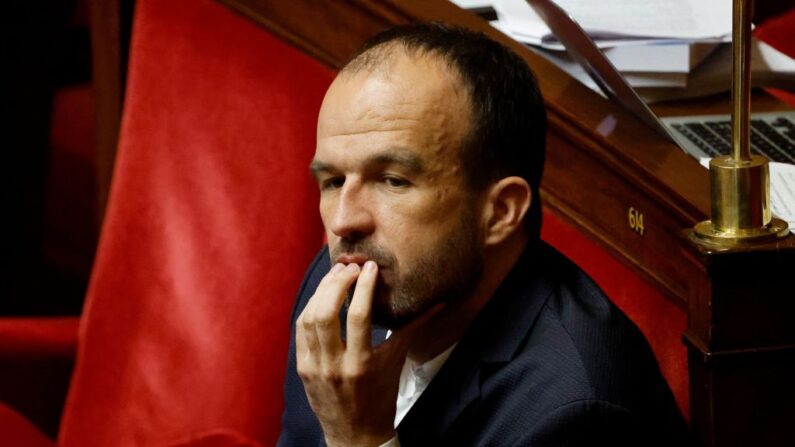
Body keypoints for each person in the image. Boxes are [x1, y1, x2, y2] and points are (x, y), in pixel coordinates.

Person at [277, 23, 688, 446]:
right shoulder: (343, 294)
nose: (344, 221)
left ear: (501, 211)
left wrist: (359, 437)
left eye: (393, 181)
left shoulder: (578, 413)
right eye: (332, 181)